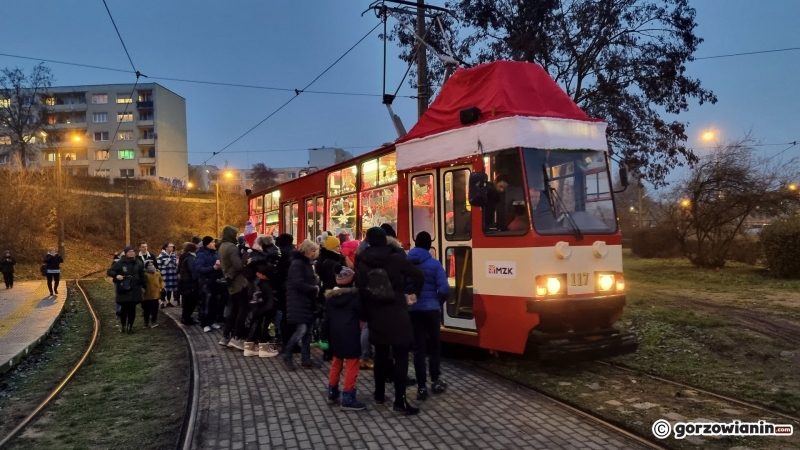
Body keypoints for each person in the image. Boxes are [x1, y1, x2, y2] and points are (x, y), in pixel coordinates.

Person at [356, 227, 424, 415]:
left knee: (380, 354)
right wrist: (413, 295)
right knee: (401, 356)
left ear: (368, 241)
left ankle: (379, 395)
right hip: (397, 312)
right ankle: (400, 401)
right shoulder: (397, 257)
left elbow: (360, 289)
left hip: (375, 313)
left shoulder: (361, 259)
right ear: (385, 239)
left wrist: (364, 314)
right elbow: (419, 276)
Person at [407, 231, 450, 401]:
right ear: (428, 245)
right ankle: (435, 380)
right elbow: (445, 289)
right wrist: (437, 302)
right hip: (431, 310)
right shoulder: (434, 264)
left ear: (416, 244)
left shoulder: (407, 263)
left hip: (414, 311)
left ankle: (422, 387)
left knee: (418, 349)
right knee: (434, 347)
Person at [323, 266, 366, 411]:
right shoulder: (354, 297)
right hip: (351, 333)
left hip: (335, 334)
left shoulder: (330, 299)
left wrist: (324, 337)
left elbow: (326, 319)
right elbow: (363, 315)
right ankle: (348, 396)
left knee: (336, 363)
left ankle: (332, 392)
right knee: (352, 365)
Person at [282, 239, 321, 371]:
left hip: (306, 302)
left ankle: (306, 359)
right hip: (298, 301)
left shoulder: (306, 263)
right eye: (312, 250)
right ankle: (287, 353)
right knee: (302, 330)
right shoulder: (298, 263)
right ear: (306, 251)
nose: (314, 253)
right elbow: (297, 283)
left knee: (307, 332)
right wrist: (313, 288)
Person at [242, 235, 280, 358]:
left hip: (254, 289)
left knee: (257, 316)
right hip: (264, 290)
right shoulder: (269, 257)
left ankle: (250, 344)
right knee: (265, 315)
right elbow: (273, 272)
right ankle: (263, 346)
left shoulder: (251, 257)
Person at [219, 226, 250, 350]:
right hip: (239, 282)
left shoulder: (222, 246)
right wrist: (246, 256)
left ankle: (226, 336)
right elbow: (239, 265)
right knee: (243, 309)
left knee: (234, 309)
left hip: (230, 281)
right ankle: (237, 337)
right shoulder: (231, 247)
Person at [108, 246, 145, 333]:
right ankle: (123, 325)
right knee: (124, 308)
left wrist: (144, 285)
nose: (131, 253)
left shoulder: (138, 262)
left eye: (132, 251)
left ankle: (130, 326)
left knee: (132, 308)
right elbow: (110, 271)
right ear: (125, 253)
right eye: (129, 252)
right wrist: (117, 276)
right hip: (124, 288)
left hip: (135, 288)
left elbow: (142, 275)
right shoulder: (120, 262)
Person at [195, 236, 222, 333]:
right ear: (207, 244)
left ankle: (212, 321)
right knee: (206, 304)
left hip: (215, 282)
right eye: (212, 242)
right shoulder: (201, 254)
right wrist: (213, 268)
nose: (214, 244)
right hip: (205, 283)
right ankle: (204, 323)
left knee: (214, 304)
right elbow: (199, 269)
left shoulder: (215, 253)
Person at [274, 233, 295, 346]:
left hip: (280, 285)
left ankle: (281, 336)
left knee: (283, 313)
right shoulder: (291, 252)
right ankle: (289, 341)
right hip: (287, 287)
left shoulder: (278, 251)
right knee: (289, 314)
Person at [178, 242, 199, 325]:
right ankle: (186, 318)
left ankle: (186, 317)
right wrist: (196, 278)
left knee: (187, 302)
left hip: (185, 283)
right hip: (190, 284)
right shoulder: (191, 258)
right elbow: (192, 271)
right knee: (190, 302)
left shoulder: (184, 257)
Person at [142, 260, 164, 328]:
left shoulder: (157, 272)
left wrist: (162, 287)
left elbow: (161, 280)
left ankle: (154, 321)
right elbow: (142, 282)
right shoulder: (144, 273)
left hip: (156, 294)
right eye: (149, 265)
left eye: (152, 265)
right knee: (146, 310)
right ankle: (146, 322)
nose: (151, 266)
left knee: (155, 309)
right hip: (147, 294)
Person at [157, 243, 179, 308]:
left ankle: (169, 301)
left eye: (172, 247)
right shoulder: (161, 255)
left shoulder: (173, 255)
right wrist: (159, 274)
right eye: (170, 247)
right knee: (163, 288)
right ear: (166, 247)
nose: (172, 248)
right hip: (164, 274)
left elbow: (176, 264)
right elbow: (158, 266)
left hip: (172, 274)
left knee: (170, 289)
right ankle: (162, 301)